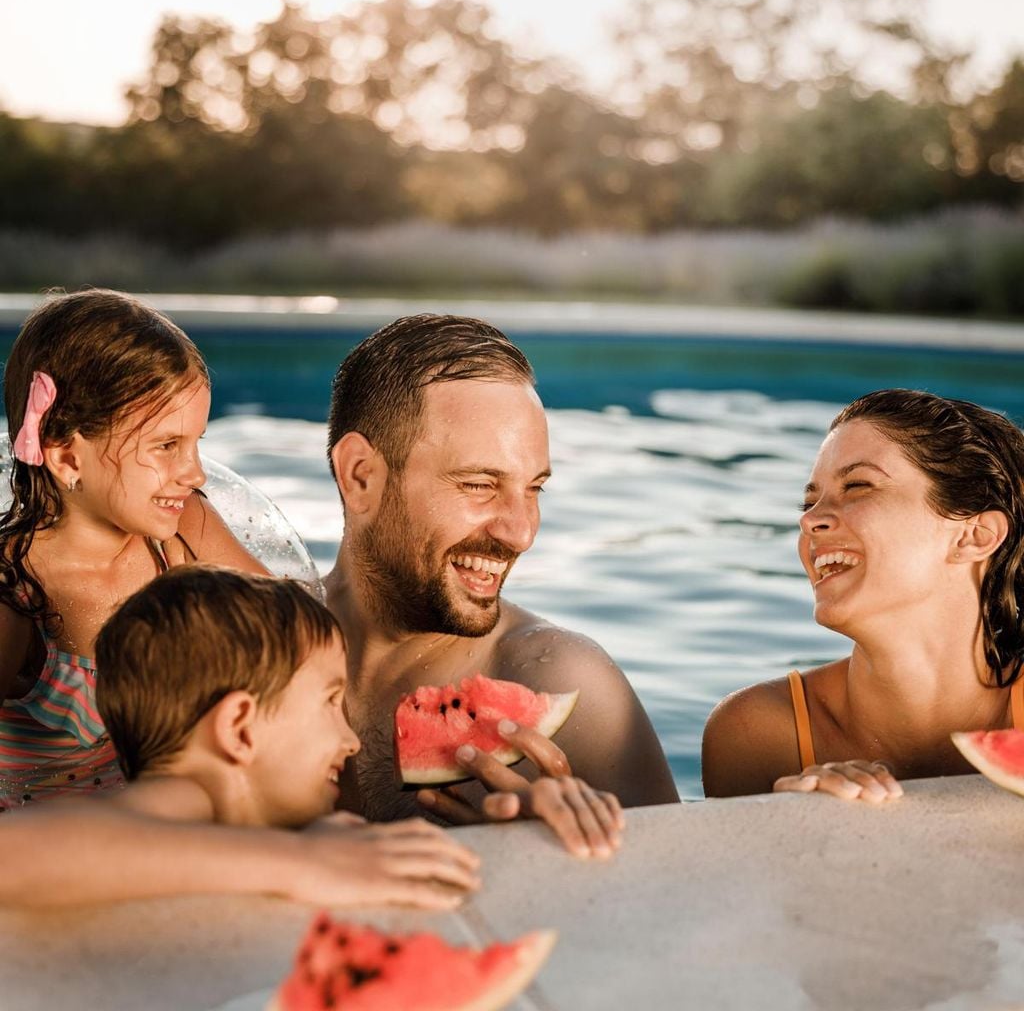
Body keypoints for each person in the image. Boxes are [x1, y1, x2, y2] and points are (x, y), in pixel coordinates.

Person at [324, 313, 679, 856]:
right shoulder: (247, 647)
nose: (522, 532)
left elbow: (676, 898)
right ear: (361, 476)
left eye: (533, 488)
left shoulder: (571, 686)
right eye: (479, 484)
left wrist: (535, 865)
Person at [0, 565, 480, 908]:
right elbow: (14, 854)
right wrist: (303, 862)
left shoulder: (233, 833)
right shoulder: (181, 802)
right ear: (237, 730)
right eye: (330, 702)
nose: (350, 740)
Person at [0, 289, 267, 805]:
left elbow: (294, 637)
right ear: (66, 456)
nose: (195, 473)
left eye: (196, 443)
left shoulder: (181, 533)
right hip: (50, 855)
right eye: (167, 447)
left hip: (172, 824)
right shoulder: (16, 598)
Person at [702, 389, 1024, 802]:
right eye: (808, 500)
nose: (810, 519)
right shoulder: (756, 732)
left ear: (974, 536)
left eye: (857, 486)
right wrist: (794, 820)